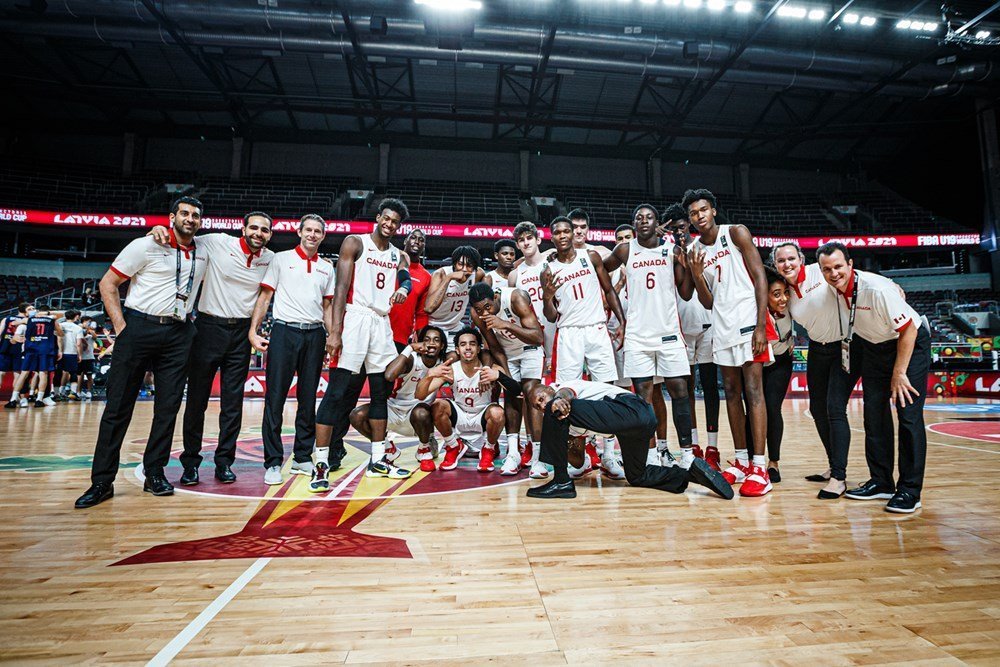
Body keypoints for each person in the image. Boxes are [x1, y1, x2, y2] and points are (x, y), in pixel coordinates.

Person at [74, 197, 209, 509]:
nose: (190, 219)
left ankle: (155, 473)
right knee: (117, 408)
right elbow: (108, 284)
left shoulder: (204, 250)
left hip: (179, 332)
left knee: (168, 408)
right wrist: (122, 328)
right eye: (184, 214)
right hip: (138, 326)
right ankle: (102, 481)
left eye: (195, 216)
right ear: (172, 216)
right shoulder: (144, 245)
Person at [147, 211, 275, 485]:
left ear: (270, 235)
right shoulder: (217, 242)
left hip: (242, 333)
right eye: (253, 227)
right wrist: (160, 229)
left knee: (233, 404)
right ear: (243, 229)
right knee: (197, 401)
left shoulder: (271, 258)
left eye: (264, 230)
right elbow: (184, 236)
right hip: (207, 328)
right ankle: (191, 463)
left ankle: (224, 462)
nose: (258, 233)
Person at [771, 241, 894, 497]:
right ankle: (832, 463)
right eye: (781, 261)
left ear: (801, 259)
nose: (787, 264)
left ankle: (839, 478)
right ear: (776, 265)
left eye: (791, 258)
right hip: (817, 349)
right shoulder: (785, 292)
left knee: (834, 407)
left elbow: (856, 277)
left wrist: (891, 287)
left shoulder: (821, 270)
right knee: (817, 408)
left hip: (845, 347)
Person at [817, 242, 930, 513]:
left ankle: (910, 491)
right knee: (874, 415)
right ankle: (881, 482)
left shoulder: (875, 289)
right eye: (827, 269)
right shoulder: (833, 290)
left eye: (838, 267)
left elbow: (909, 330)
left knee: (908, 414)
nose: (834, 274)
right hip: (873, 347)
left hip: (908, 344)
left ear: (851, 265)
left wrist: (900, 372)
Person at [315, 198, 413, 486]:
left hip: (381, 322)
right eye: (386, 218)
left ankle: (378, 458)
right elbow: (341, 287)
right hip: (356, 318)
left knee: (380, 392)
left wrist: (404, 290)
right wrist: (335, 331)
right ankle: (320, 462)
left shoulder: (399, 255)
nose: (389, 223)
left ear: (398, 226)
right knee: (337, 390)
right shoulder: (355, 243)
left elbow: (406, 279)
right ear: (378, 217)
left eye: (395, 221)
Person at [686, 188, 773, 497]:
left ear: (713, 211)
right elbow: (708, 302)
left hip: (749, 322)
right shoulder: (694, 250)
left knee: (753, 391)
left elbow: (760, 277)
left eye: (703, 210)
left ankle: (760, 467)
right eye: (694, 213)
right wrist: (696, 275)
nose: (699, 216)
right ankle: (740, 460)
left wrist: (761, 325)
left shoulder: (736, 233)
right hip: (721, 326)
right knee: (732, 394)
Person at [524, 380, 733, 500]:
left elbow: (566, 393)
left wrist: (557, 400)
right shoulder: (569, 418)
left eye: (542, 398)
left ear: (550, 388)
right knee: (638, 475)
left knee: (556, 411)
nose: (541, 406)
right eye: (537, 406)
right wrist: (566, 444)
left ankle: (561, 483)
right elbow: (577, 460)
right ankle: (693, 474)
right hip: (638, 424)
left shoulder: (564, 390)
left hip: (631, 408)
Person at [604, 204, 697, 469]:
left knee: (680, 392)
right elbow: (601, 269)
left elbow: (687, 293)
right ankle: (650, 455)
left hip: (668, 334)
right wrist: (613, 300)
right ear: (634, 224)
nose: (643, 221)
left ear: (656, 222)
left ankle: (687, 454)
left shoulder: (672, 251)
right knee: (642, 397)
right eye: (638, 218)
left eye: (649, 217)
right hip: (637, 336)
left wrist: (687, 267)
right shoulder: (625, 249)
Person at [249, 213, 335, 487]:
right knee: (275, 398)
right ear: (299, 232)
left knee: (308, 398)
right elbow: (265, 297)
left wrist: (333, 337)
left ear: (323, 236)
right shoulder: (280, 259)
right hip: (284, 331)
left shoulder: (327, 267)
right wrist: (253, 330)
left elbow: (327, 308)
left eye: (317, 231)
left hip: (314, 335)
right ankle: (273, 461)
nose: (312, 235)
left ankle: (301, 455)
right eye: (308, 230)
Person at [348, 325, 447, 477]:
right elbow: (389, 375)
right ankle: (388, 447)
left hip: (418, 417)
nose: (431, 343)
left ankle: (424, 447)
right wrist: (410, 348)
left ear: (442, 345)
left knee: (422, 411)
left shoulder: (445, 362)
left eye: (436, 340)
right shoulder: (412, 359)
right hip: (393, 410)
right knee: (357, 415)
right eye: (426, 340)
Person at [665, 208, 721, 470]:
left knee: (710, 387)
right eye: (674, 228)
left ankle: (713, 446)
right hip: (681, 328)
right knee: (685, 391)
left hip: (709, 323)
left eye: (682, 226)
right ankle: (694, 444)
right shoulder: (666, 253)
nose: (679, 231)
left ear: (689, 226)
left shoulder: (703, 248)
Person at [468, 281, 545, 475]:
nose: (485, 313)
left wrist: (505, 325)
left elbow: (537, 337)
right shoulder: (478, 315)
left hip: (529, 349)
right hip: (507, 353)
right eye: (479, 309)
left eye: (487, 307)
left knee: (532, 395)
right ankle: (513, 453)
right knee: (511, 397)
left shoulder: (514, 298)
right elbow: (494, 347)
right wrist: (509, 379)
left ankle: (538, 457)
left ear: (495, 297)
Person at [541, 216, 625, 384]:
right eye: (557, 233)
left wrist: (623, 322)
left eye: (566, 231)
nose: (562, 235)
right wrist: (547, 297)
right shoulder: (548, 271)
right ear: (551, 238)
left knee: (605, 385)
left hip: (597, 327)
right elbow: (550, 316)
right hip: (569, 331)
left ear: (572, 234)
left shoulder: (591, 256)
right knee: (567, 388)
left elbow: (609, 291)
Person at [418, 327, 505, 472]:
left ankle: (488, 449)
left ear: (478, 348)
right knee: (438, 405)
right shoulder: (451, 370)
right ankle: (453, 445)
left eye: (472, 344)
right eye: (463, 344)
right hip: (460, 417)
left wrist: (498, 376)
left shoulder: (490, 369)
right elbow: (420, 395)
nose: (468, 347)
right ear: (457, 350)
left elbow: (516, 391)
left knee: (498, 412)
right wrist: (429, 375)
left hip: (482, 419)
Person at [507, 221, 555, 478]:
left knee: (559, 389)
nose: (526, 243)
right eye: (521, 240)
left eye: (529, 238)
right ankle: (532, 447)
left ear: (538, 239)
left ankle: (577, 446)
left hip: (555, 330)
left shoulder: (551, 262)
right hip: (531, 337)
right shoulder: (516, 275)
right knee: (531, 394)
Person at [743, 268, 795, 483]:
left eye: (785, 293)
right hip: (754, 364)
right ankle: (751, 460)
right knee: (751, 410)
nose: (783, 299)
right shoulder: (752, 309)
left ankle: (773, 462)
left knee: (772, 408)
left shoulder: (793, 304)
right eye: (776, 294)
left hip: (780, 362)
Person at [425, 246, 487, 352]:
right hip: (434, 326)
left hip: (455, 327)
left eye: (469, 265)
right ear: (454, 263)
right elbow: (429, 308)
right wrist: (449, 278)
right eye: (460, 264)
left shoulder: (477, 274)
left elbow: (483, 279)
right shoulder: (440, 274)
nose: (464, 269)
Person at [10, 302, 63, 408]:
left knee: (30, 374)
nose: (33, 310)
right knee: (37, 374)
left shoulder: (28, 320)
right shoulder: (50, 319)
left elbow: (13, 323)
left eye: (33, 308)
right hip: (40, 350)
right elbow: (61, 332)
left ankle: (17, 399)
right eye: (30, 309)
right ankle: (32, 398)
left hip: (34, 350)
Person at [388, 229, 432, 351]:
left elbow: (421, 314)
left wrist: (422, 339)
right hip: (377, 330)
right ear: (405, 241)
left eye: (421, 240)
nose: (417, 241)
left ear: (424, 246)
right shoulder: (388, 262)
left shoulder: (426, 276)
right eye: (413, 238)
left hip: (401, 337)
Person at [0, 303, 29, 404]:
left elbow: (0, 333)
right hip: (18, 349)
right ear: (25, 311)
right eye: (30, 309)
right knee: (17, 374)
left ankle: (15, 398)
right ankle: (15, 397)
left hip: (5, 347)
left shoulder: (6, 318)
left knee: (1, 373)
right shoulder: (27, 321)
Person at [55, 309, 83, 401]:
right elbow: (78, 344)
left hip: (60, 353)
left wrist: (60, 351)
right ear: (76, 317)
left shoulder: (59, 325)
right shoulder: (78, 328)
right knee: (73, 372)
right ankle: (73, 393)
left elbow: (57, 339)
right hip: (72, 352)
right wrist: (80, 355)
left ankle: (56, 393)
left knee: (58, 373)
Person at [76, 316, 98, 400]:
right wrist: (82, 328)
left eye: (89, 322)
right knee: (79, 376)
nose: (88, 323)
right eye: (87, 322)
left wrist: (89, 329)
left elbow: (95, 337)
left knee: (89, 376)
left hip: (89, 358)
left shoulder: (90, 333)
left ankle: (89, 392)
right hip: (79, 357)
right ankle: (78, 391)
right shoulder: (78, 331)